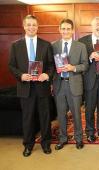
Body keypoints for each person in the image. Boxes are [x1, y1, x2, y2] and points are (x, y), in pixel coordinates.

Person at [8, 15, 54, 157]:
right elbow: (11, 65)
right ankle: (28, 145)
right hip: (25, 87)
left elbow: (51, 65)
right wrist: (21, 75)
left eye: (34, 25)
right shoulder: (16, 45)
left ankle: (46, 144)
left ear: (37, 26)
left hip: (42, 87)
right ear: (24, 26)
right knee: (27, 118)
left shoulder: (46, 45)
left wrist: (47, 75)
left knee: (45, 117)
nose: (31, 27)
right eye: (28, 25)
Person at [52, 19, 88, 150]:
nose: (65, 31)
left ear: (72, 30)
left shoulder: (81, 46)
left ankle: (79, 138)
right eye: (63, 29)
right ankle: (62, 138)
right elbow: (51, 66)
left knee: (76, 114)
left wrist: (73, 68)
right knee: (61, 114)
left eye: (68, 29)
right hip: (59, 85)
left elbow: (85, 65)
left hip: (74, 84)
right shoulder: (53, 46)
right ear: (59, 30)